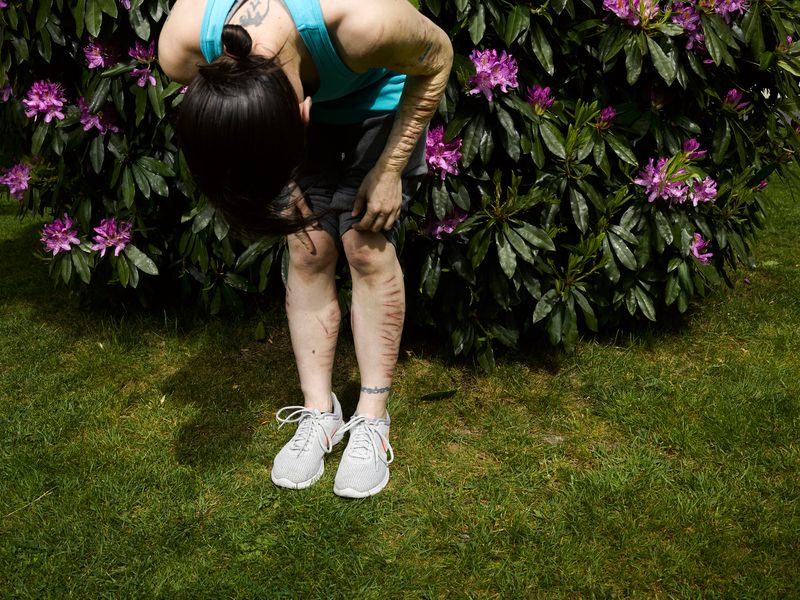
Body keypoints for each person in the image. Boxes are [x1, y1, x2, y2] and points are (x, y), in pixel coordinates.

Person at [158, 0, 453, 497]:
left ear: (301, 111)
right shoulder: (182, 44)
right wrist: (278, 176)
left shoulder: (364, 21)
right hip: (276, 106)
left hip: (380, 94)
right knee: (308, 247)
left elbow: (438, 56)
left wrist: (389, 170)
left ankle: (372, 419)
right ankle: (320, 412)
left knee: (365, 244)